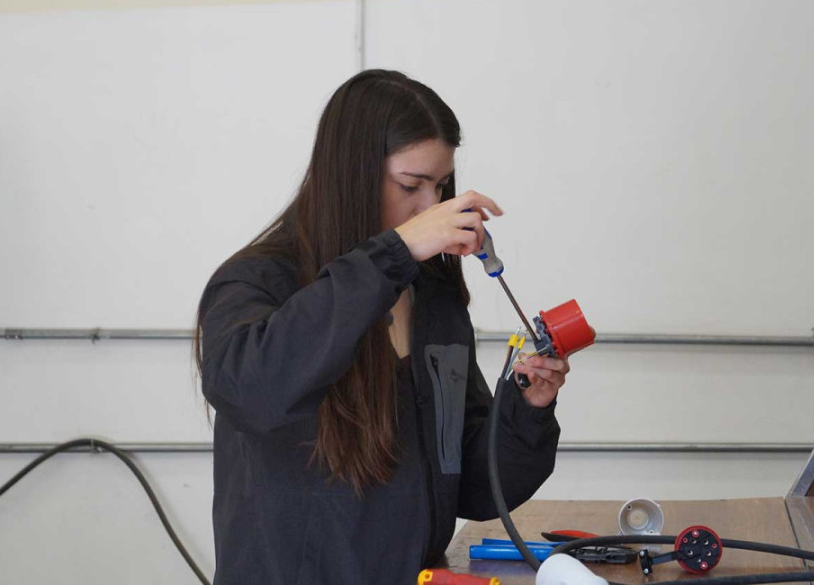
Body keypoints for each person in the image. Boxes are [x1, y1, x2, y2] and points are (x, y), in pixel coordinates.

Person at [194, 69, 571, 585]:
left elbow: (473, 487)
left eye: (439, 186)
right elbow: (250, 391)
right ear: (351, 173)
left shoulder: (431, 297)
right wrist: (392, 255)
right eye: (411, 185)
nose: (430, 207)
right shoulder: (257, 280)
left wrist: (525, 411)